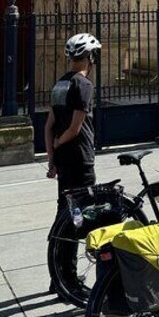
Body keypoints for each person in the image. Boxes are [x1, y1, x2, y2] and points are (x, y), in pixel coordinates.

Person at [45, 33, 101, 210]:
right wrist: (58, 141)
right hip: (80, 158)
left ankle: (57, 238)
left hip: (63, 160)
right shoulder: (84, 85)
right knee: (85, 211)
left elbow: (49, 126)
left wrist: (52, 159)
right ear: (91, 57)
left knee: (65, 207)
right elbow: (75, 129)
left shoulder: (60, 84)